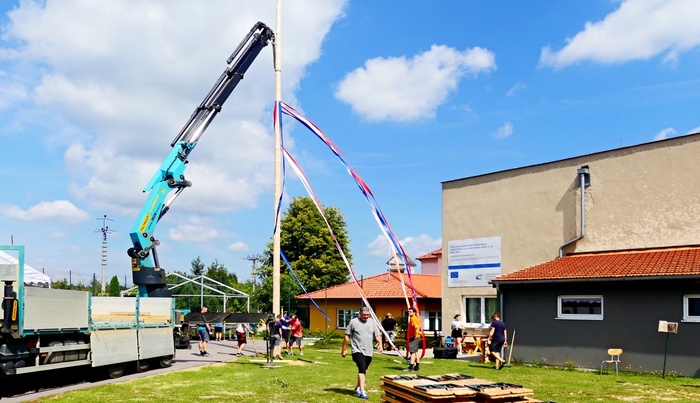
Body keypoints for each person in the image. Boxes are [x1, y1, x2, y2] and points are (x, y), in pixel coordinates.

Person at [341, 307, 382, 400]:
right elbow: (347, 336)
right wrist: (344, 349)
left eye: (367, 315)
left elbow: (377, 335)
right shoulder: (353, 322)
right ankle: (362, 391)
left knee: (363, 370)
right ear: (360, 314)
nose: (366, 316)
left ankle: (358, 387)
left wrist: (380, 344)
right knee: (362, 368)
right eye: (364, 315)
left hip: (369, 351)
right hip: (357, 350)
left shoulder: (372, 322)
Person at [405, 307, 422, 371]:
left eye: (410, 312)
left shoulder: (413, 318)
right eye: (408, 312)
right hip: (417, 337)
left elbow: (416, 327)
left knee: (412, 352)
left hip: (414, 337)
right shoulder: (415, 318)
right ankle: (417, 366)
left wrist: (414, 334)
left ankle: (411, 366)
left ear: (414, 312)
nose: (409, 313)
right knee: (415, 352)